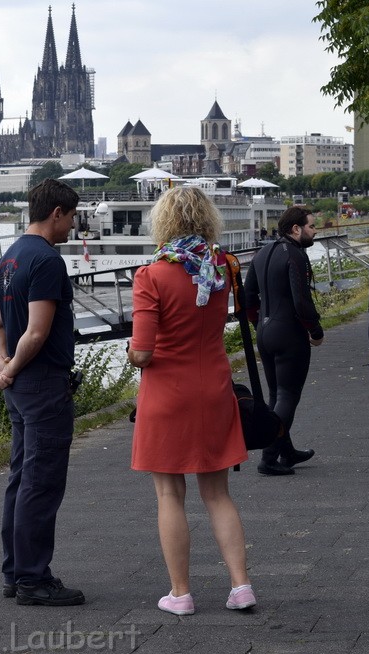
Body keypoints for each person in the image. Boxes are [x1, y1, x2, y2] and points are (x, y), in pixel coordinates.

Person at [128, 187, 255, 616]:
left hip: (167, 394)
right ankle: (240, 586)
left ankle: (180, 593)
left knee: (169, 493)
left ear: (162, 223)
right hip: (214, 388)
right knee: (218, 493)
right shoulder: (221, 268)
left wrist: (131, 354)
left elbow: (143, 352)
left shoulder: (152, 275)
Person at [0, 178, 84, 607]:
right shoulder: (46, 261)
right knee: (40, 483)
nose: (74, 225)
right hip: (42, 384)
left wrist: (3, 364)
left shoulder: (7, 259)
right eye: (73, 216)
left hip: (21, 386)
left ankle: (14, 572)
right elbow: (38, 332)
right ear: (56, 212)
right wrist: (12, 369)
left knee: (21, 478)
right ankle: (32, 579)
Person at [244, 206, 322, 476]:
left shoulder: (262, 253)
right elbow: (301, 299)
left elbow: (248, 298)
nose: (315, 231)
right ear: (296, 229)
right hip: (289, 333)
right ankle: (268, 457)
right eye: (311, 226)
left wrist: (260, 325)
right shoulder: (296, 255)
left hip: (265, 333)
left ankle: (286, 452)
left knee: (276, 395)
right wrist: (315, 329)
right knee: (288, 396)